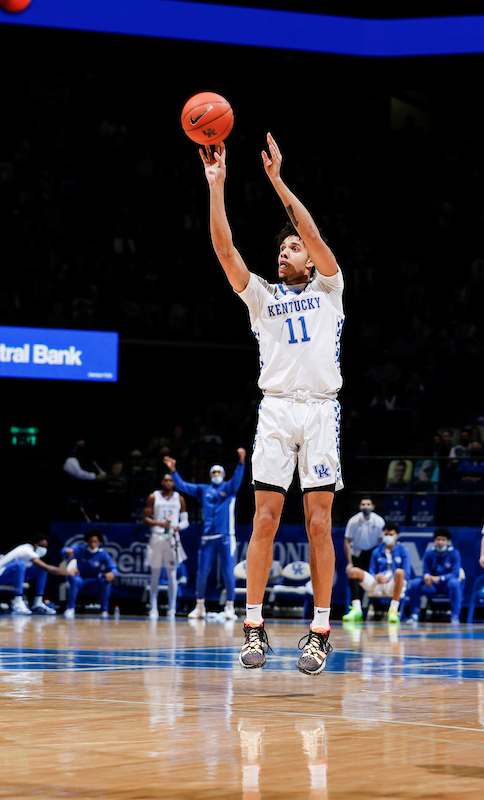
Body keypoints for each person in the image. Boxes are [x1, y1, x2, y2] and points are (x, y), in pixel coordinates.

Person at [201, 134, 344, 675]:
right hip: (278, 409)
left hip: (321, 410)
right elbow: (224, 250)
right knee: (264, 519)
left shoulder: (331, 287)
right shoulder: (263, 296)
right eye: (280, 249)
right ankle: (254, 624)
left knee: (319, 525)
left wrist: (278, 182)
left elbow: (309, 229)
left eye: (291, 248)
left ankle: (320, 630)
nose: (283, 252)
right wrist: (217, 187)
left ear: (308, 256)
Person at [165, 450, 247, 621]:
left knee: (228, 572)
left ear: (224, 475)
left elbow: (238, 478)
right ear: (210, 475)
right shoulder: (204, 490)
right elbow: (183, 486)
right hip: (208, 537)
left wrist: (241, 462)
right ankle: (200, 606)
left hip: (226, 535)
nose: (216, 475)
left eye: (219, 472)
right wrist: (173, 471)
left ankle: (230, 608)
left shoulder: (229, 488)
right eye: (214, 472)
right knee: (202, 572)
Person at [0, 536, 75, 616]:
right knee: (22, 565)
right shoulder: (26, 550)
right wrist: (68, 573)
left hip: (10, 577)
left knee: (40, 569)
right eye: (41, 546)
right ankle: (17, 602)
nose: (43, 549)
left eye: (45, 547)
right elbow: (49, 568)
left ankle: (38, 603)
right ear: (35, 545)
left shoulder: (30, 551)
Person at [143, 473, 189, 619]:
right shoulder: (153, 496)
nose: (168, 482)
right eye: (166, 480)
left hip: (172, 538)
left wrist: (177, 527)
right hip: (157, 537)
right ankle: (153, 608)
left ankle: (171, 609)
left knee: (172, 575)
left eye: (171, 480)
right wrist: (159, 524)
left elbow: (185, 521)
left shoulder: (179, 498)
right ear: (162, 482)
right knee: (155, 574)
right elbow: (145, 519)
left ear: (174, 483)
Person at [344, 522, 408, 624]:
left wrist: (390, 577)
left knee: (400, 572)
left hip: (393, 584)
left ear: (396, 536)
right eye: (386, 534)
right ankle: (357, 609)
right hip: (377, 583)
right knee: (353, 571)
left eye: (391, 535)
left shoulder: (403, 550)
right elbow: (372, 570)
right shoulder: (377, 551)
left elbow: (407, 573)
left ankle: (393, 610)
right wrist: (376, 576)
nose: (388, 537)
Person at [404, 529, 464, 624]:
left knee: (455, 583)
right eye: (438, 539)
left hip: (446, 585)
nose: (440, 542)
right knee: (415, 583)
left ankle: (455, 616)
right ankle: (414, 614)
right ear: (434, 540)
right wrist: (426, 576)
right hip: (432, 586)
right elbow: (425, 570)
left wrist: (440, 578)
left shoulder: (454, 553)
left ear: (448, 541)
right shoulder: (429, 553)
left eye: (443, 540)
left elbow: (455, 573)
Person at [342, 497, 386, 622]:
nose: (365, 506)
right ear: (360, 507)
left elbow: (381, 542)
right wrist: (350, 563)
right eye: (363, 504)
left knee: (376, 582)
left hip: (373, 554)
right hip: (357, 554)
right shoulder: (353, 521)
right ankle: (356, 610)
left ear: (373, 507)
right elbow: (347, 541)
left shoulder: (379, 521)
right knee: (355, 580)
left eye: (368, 504)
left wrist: (379, 560)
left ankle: (378, 611)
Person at [62, 531, 117, 619]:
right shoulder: (80, 549)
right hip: (81, 579)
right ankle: (70, 608)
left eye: (95, 542)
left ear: (99, 542)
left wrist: (112, 573)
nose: (92, 544)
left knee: (106, 583)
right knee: (74, 580)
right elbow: (64, 550)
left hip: (95, 580)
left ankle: (104, 610)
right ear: (87, 541)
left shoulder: (102, 554)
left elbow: (113, 567)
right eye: (90, 541)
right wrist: (67, 551)